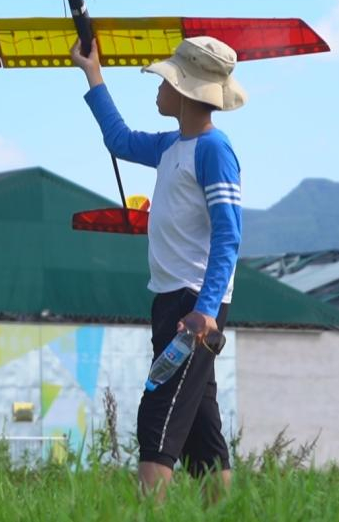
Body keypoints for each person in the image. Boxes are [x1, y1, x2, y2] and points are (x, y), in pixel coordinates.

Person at [71, 36, 242, 501]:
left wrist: (206, 310)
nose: (158, 87)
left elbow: (229, 235)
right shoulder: (173, 145)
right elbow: (120, 140)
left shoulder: (214, 150)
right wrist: (93, 74)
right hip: (174, 302)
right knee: (202, 436)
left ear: (187, 92)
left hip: (194, 308)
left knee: (158, 418)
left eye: (166, 79)